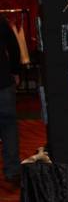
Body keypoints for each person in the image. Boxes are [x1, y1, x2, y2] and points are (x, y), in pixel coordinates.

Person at [0, 15, 21, 186]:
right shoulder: (0, 19)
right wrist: (15, 71)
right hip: (3, 80)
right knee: (8, 127)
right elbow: (13, 46)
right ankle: (12, 169)